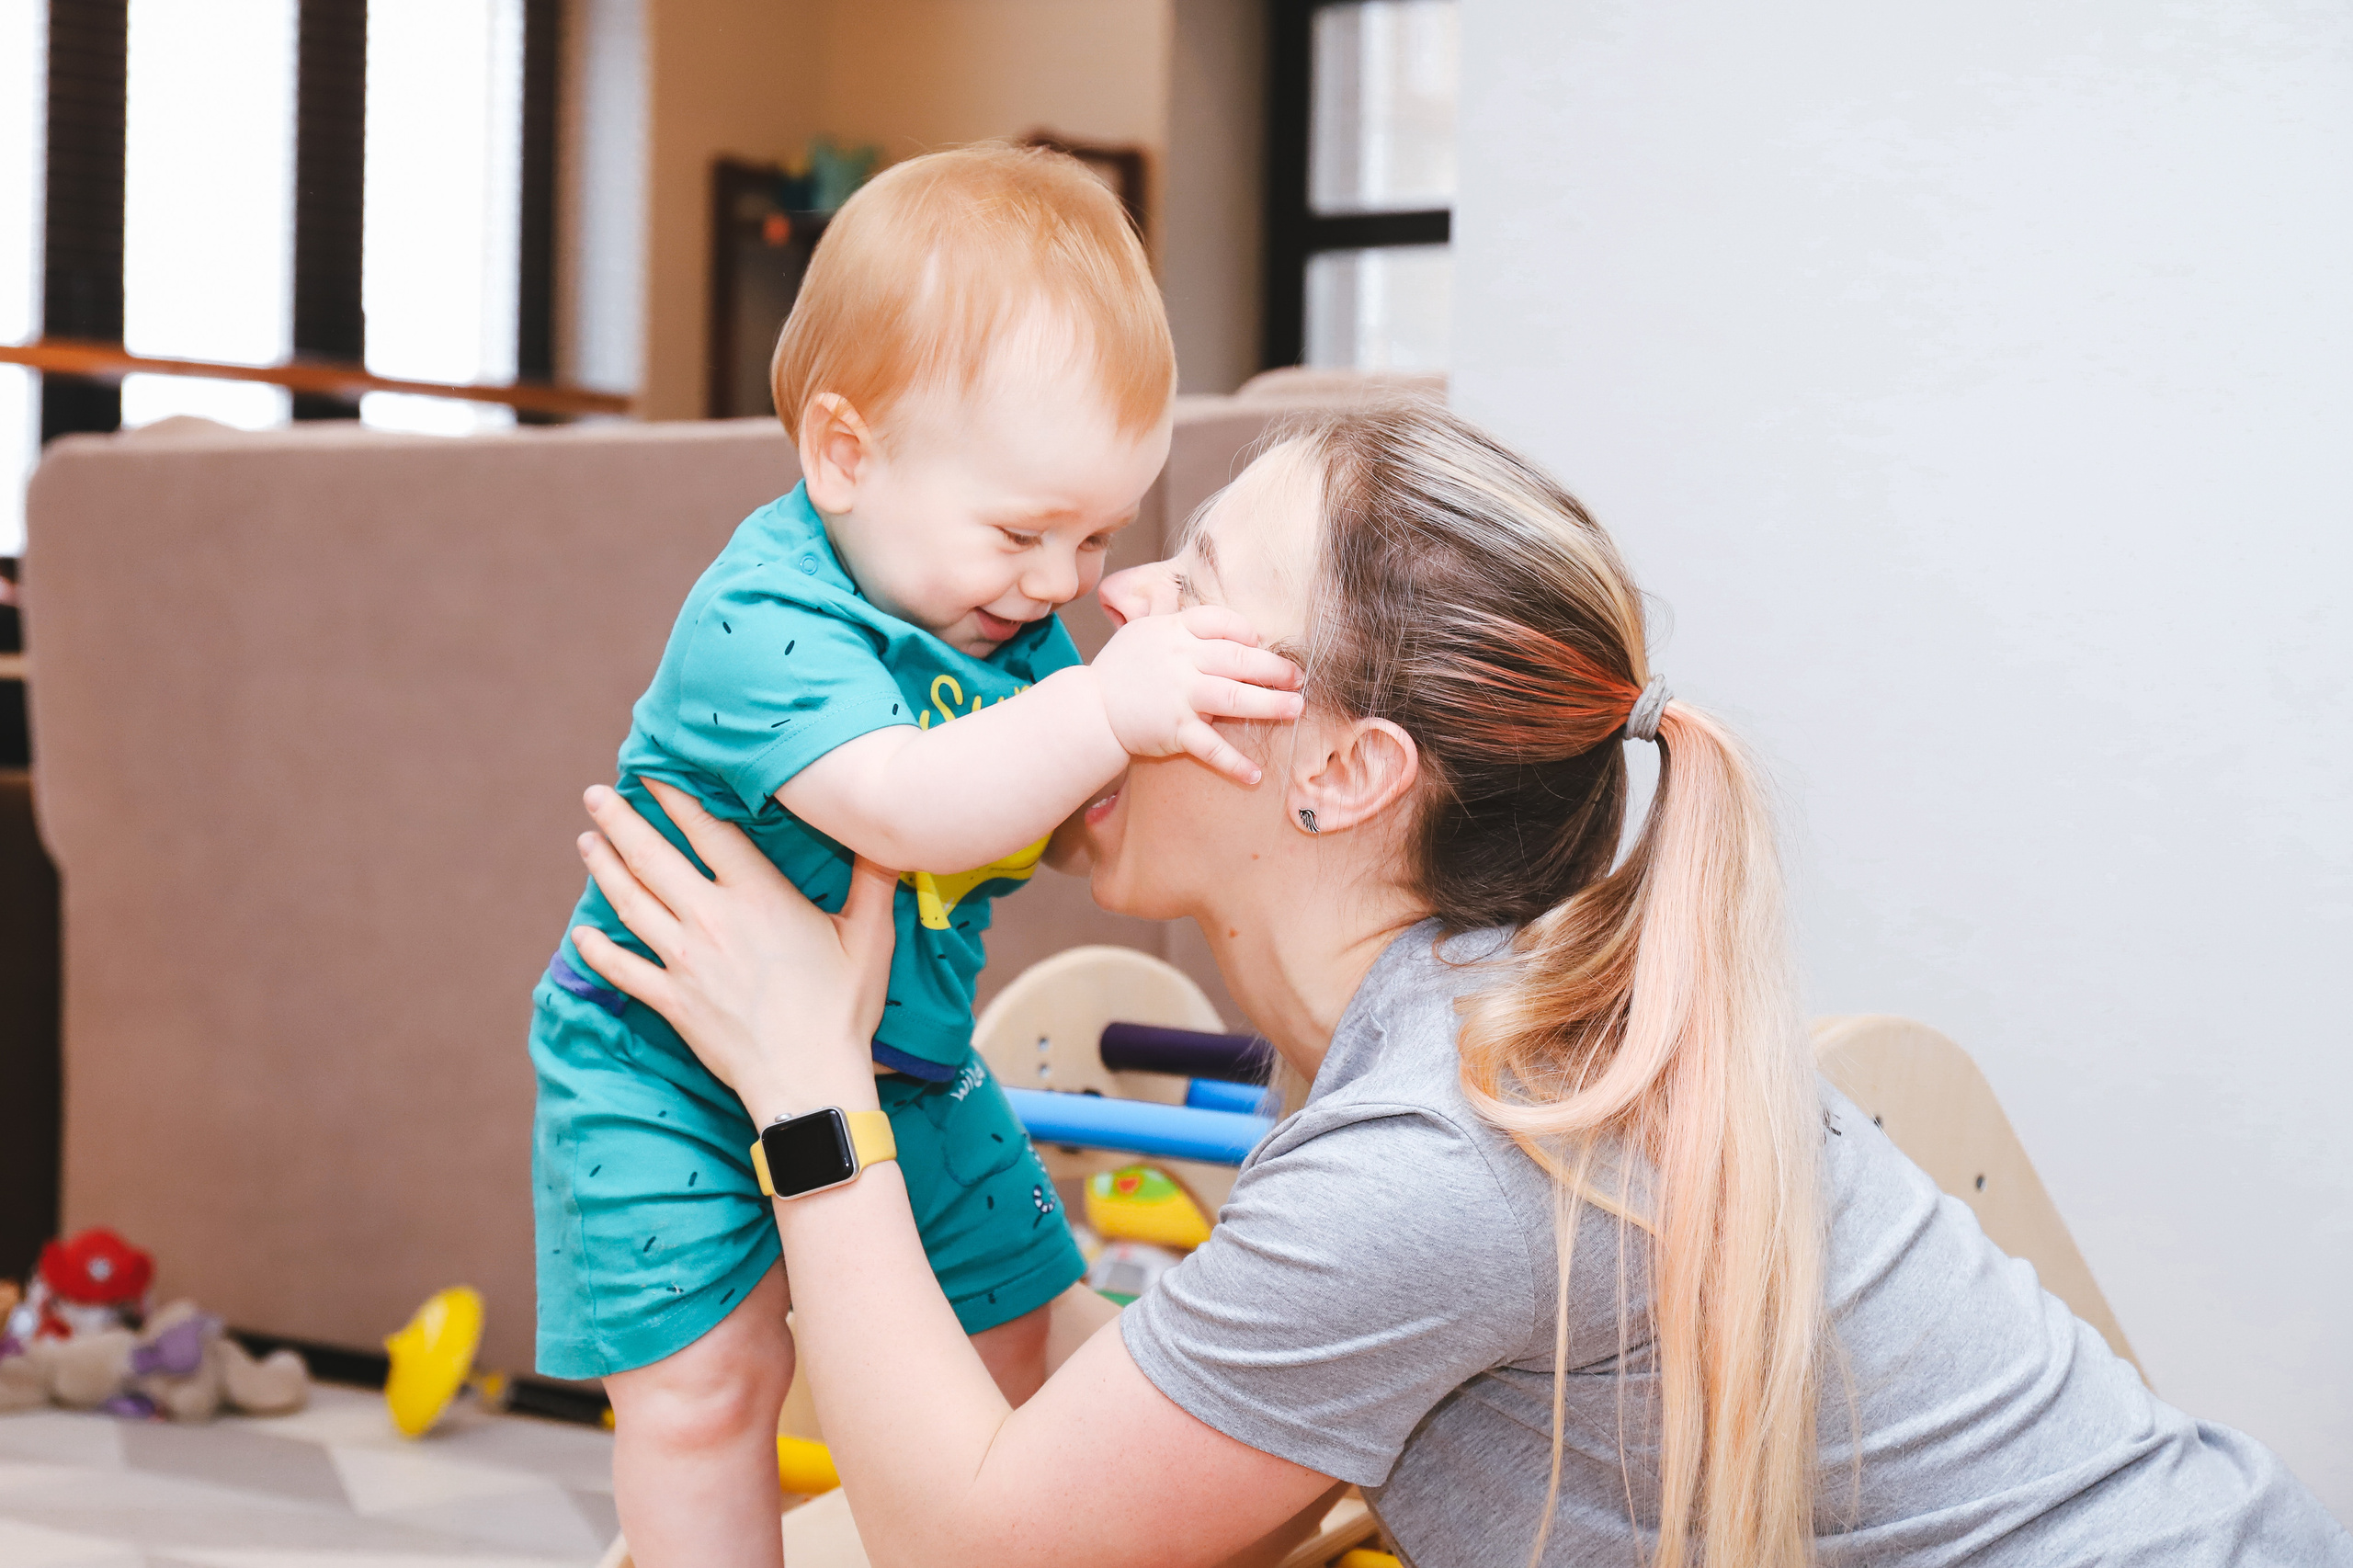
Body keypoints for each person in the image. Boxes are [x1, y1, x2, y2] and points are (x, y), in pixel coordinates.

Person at [567, 402, 2353, 1568]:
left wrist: (809, 1080)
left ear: (1343, 773)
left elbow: (982, 1549)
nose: (1112, 602)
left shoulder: (1450, 1144)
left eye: (1197, 589)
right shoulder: (1483, 1027)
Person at [529, 143, 1305, 1568]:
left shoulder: (1016, 624)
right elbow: (911, 805)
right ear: (845, 455)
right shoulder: (763, 618)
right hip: (663, 1060)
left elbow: (1061, 822)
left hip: (913, 1060)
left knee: (1005, 1349)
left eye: (1096, 534)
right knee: (709, 1389)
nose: (1059, 579)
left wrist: (1166, 692)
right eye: (1023, 530)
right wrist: (1101, 708)